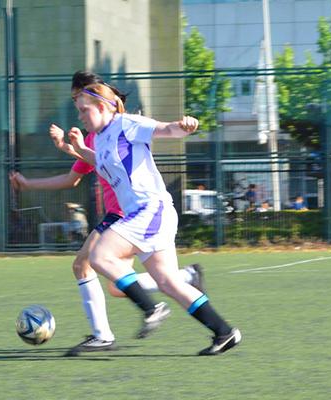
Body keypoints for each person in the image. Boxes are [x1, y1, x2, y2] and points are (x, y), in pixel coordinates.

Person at [8, 71, 205, 356]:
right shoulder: (96, 134)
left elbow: (77, 173)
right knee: (116, 285)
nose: (78, 106)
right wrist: (66, 149)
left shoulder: (111, 129)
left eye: (79, 99)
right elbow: (86, 163)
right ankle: (184, 279)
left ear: (97, 100)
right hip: (124, 215)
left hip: (126, 215)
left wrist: (58, 158)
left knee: (86, 264)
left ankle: (107, 333)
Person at [67, 80, 241, 355]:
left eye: (83, 110)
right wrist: (77, 148)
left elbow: (164, 129)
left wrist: (183, 127)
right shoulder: (101, 137)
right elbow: (101, 161)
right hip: (147, 214)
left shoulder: (127, 123)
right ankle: (224, 332)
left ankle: (151, 307)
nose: (80, 116)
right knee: (169, 282)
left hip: (150, 209)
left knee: (100, 257)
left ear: (102, 107)